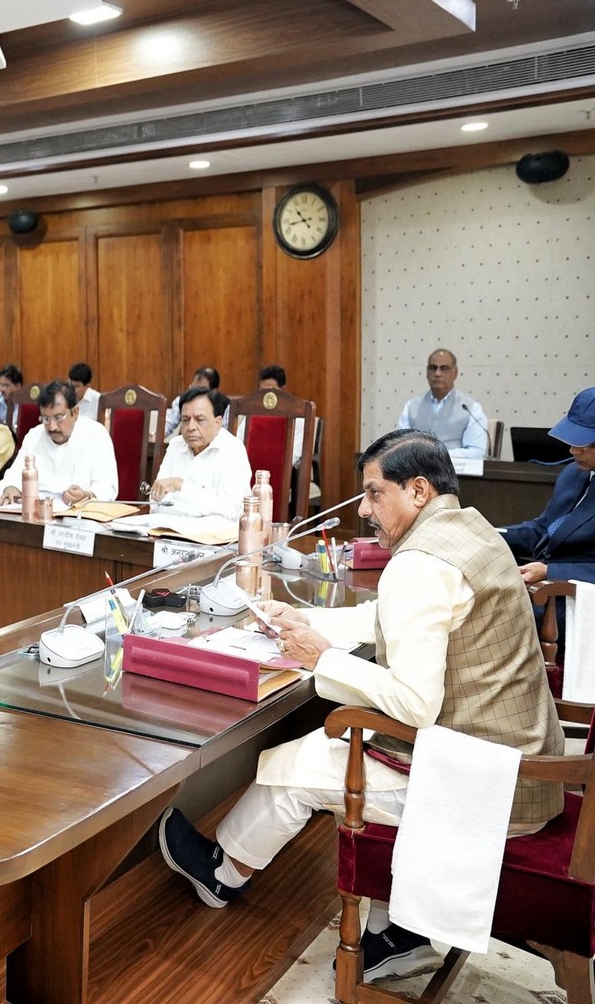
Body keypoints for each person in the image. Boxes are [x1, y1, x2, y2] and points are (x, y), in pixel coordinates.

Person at [158, 430, 561, 981]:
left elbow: (416, 704)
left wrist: (321, 659)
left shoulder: (419, 563)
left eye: (374, 494)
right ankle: (398, 933)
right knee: (334, 746)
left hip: (484, 787)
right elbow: (390, 622)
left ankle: (222, 873)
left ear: (418, 490)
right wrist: (308, 622)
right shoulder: (473, 530)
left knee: (299, 765)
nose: (365, 510)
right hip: (524, 763)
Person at [503, 386, 595, 586]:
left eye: (584, 444)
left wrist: (551, 571)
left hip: (576, 598)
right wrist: (490, 534)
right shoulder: (573, 473)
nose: (572, 450)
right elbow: (543, 531)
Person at [0, 380, 118, 506]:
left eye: (58, 417)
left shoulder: (96, 435)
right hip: (37, 517)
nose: (52, 427)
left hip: (79, 520)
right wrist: (11, 487)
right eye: (46, 419)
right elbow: (13, 475)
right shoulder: (34, 436)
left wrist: (86, 496)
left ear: (75, 412)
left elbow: (107, 488)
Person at [150, 387, 251, 519]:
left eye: (200, 419)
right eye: (185, 419)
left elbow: (229, 509)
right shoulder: (176, 445)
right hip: (170, 531)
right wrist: (205, 505)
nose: (191, 427)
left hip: (216, 536)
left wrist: (180, 486)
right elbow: (156, 501)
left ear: (217, 423)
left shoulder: (233, 449)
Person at [396, 348, 488, 460]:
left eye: (444, 368)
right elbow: (400, 448)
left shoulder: (471, 408)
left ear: (455, 373)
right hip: (417, 473)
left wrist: (439, 456)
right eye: (433, 368)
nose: (437, 373)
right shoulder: (411, 407)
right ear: (427, 372)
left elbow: (477, 452)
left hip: (455, 474)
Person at [165, 365, 224, 438]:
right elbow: (168, 423)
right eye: (193, 388)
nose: (195, 393)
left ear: (213, 391)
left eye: (201, 390)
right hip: (185, 446)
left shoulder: (225, 406)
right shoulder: (183, 401)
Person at [0, 364, 26, 430]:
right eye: (1, 385)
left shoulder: (25, 405)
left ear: (18, 386)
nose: (2, 389)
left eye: (6, 385)